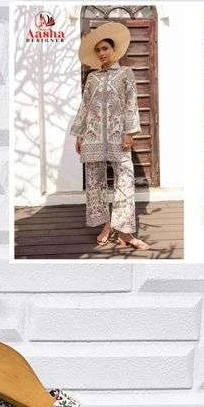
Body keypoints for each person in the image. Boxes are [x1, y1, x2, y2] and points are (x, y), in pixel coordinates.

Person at [72, 21, 148, 250]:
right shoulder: (92, 78)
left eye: (105, 48)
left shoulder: (126, 74)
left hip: (117, 136)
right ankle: (106, 225)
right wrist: (79, 134)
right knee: (95, 182)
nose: (101, 53)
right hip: (93, 136)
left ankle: (125, 231)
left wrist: (129, 132)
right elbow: (85, 107)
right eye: (98, 50)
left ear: (114, 49)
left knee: (125, 180)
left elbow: (131, 104)